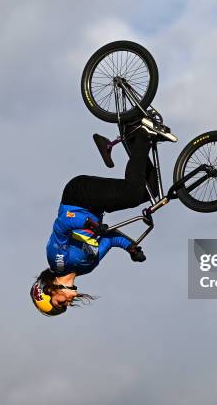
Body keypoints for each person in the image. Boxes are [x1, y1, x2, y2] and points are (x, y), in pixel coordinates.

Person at [31, 120, 160, 316]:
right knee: (150, 191)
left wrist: (88, 223)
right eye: (65, 307)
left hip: (78, 196)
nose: (67, 303)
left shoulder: (57, 261)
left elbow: (62, 224)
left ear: (49, 290)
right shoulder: (87, 266)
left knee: (132, 194)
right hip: (95, 207)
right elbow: (110, 238)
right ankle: (132, 135)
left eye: (60, 303)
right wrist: (131, 248)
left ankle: (143, 134)